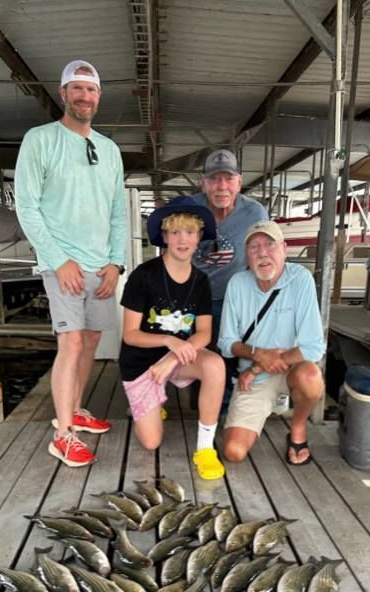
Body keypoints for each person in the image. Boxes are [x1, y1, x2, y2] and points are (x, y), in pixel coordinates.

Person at [15, 59, 126, 468]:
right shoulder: (40, 140)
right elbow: (26, 206)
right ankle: (63, 434)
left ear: (99, 96)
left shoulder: (110, 150)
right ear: (63, 94)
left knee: (93, 342)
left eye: (91, 89)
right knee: (72, 341)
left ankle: (75, 408)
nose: (84, 96)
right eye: (76, 89)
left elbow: (117, 212)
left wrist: (116, 262)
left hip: (101, 265)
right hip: (62, 264)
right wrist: (59, 260)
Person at [119, 196, 226, 480]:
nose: (183, 239)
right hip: (142, 361)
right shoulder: (143, 276)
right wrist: (170, 342)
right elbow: (129, 335)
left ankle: (204, 449)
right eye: (175, 231)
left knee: (215, 365)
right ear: (164, 236)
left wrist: (173, 356)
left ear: (199, 236)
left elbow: (204, 332)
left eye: (190, 232)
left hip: (176, 358)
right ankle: (149, 402)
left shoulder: (201, 281)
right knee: (151, 442)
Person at [218, 220, 325, 465]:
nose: (263, 253)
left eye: (270, 244)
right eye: (254, 247)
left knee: (311, 375)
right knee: (234, 452)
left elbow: (313, 347)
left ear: (284, 249)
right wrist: (257, 354)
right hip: (253, 379)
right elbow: (226, 343)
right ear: (247, 255)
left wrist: (260, 364)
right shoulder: (237, 283)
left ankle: (298, 428)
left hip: (290, 370)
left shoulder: (301, 279)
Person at [189, 149, 268, 408]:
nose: (221, 186)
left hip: (235, 298)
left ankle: (224, 409)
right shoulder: (189, 208)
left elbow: (263, 254)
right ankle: (202, 403)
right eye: (214, 179)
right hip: (194, 297)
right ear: (203, 183)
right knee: (196, 353)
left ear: (239, 181)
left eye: (228, 179)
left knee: (229, 353)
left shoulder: (255, 213)